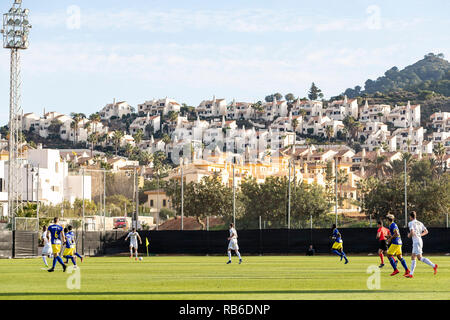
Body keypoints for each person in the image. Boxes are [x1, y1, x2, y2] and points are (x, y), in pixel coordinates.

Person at [404, 211, 438, 278]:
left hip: (416, 241)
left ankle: (411, 274)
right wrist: (420, 235)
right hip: (419, 240)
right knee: (418, 257)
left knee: (415, 257)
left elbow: (412, 232)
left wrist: (409, 235)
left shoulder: (410, 223)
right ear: (415, 216)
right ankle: (434, 266)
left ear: (410, 217)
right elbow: (426, 231)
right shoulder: (420, 223)